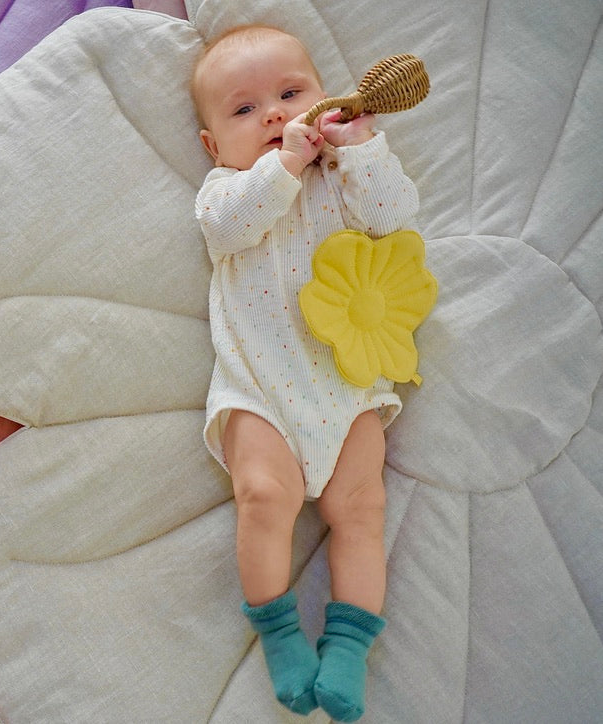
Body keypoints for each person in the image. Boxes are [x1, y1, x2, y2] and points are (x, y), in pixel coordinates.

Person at [191, 24, 419, 722]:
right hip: (258, 387)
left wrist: (364, 152)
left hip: (345, 384)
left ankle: (349, 647)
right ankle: (279, 630)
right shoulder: (224, 190)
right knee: (263, 496)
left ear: (325, 101)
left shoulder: (344, 182)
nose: (273, 115)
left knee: (363, 509)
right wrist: (281, 167)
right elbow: (233, 230)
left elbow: (395, 217)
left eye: (291, 94)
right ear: (212, 144)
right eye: (243, 109)